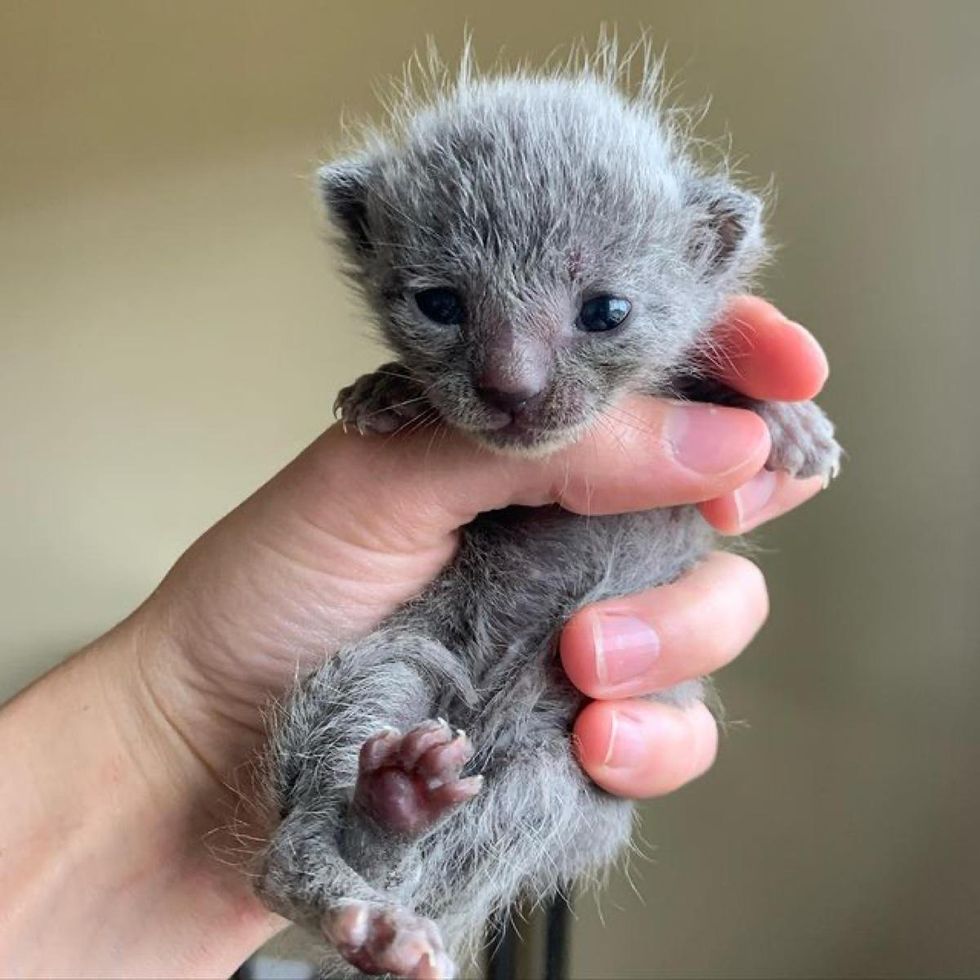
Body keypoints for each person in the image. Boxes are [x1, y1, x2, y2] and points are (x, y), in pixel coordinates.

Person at [0, 296, 830, 978]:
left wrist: (761, 408)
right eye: (445, 305)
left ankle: (377, 860)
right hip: (431, 656)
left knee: (565, 790)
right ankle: (331, 862)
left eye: (603, 311)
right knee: (383, 681)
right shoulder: (446, 414)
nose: (516, 375)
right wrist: (415, 396)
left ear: (708, 245)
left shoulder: (698, 373)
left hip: (552, 738)